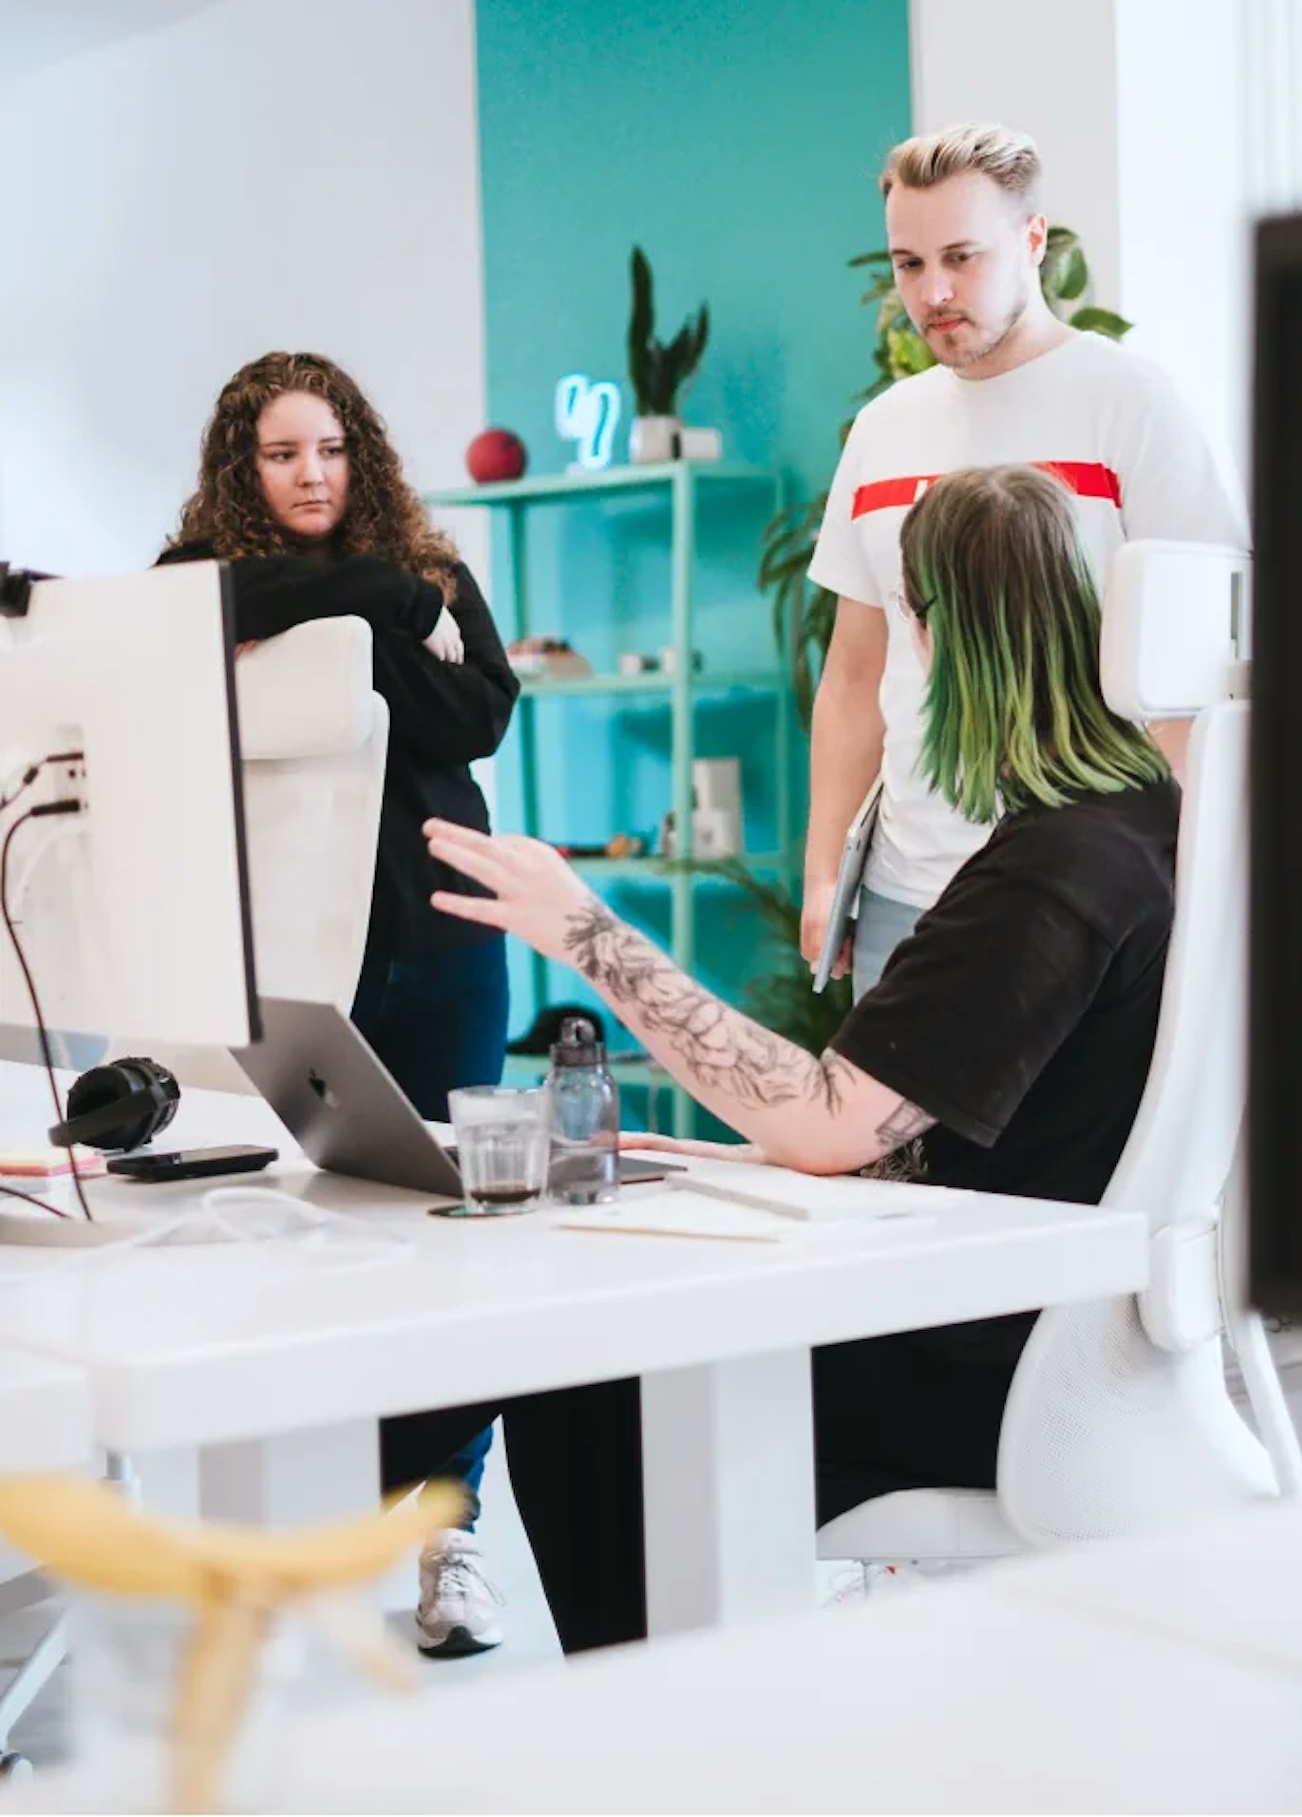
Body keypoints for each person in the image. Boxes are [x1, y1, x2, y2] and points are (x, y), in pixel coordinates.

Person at [388, 462, 1180, 1653]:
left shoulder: (1054, 870)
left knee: (581, 1372)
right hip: (1051, 1323)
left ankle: (682, 1729)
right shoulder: (1149, 826)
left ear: (933, 637)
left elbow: (822, 1119)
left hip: (981, 1358)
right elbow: (937, 1123)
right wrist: (715, 1160)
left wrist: (585, 932)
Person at [160, 351, 518, 1658]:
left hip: (444, 933)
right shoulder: (196, 583)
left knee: (451, 1230)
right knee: (267, 1230)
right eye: (282, 454)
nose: (312, 475)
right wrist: (373, 606)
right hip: (284, 954)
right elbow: (182, 632)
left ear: (360, 454)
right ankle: (278, 1535)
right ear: (242, 470)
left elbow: (475, 717)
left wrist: (334, 633)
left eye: (331, 450)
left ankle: (448, 1534)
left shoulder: (439, 571)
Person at [804, 121, 1246, 997]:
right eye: (908, 264)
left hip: (1083, 892)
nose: (933, 291)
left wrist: (1213, 878)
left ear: (1032, 239)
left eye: (961, 257)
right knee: (889, 1139)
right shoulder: (883, 430)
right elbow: (855, 673)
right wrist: (825, 873)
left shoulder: (1132, 404)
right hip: (907, 890)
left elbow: (1206, 674)